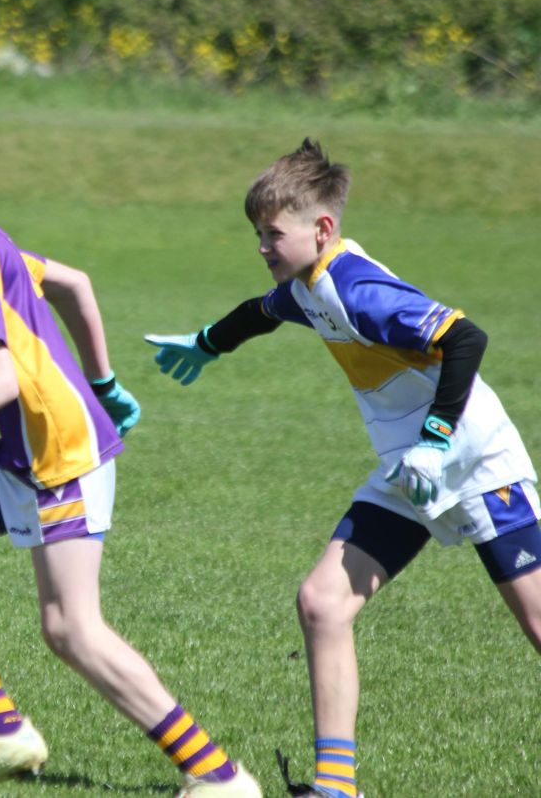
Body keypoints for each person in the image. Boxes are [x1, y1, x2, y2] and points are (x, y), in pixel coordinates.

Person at [0, 107, 260, 798]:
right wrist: (104, 383)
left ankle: (216, 775)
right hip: (24, 447)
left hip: (57, 450)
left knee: (71, 629)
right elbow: (73, 284)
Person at [145, 138, 540, 798]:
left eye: (272, 233)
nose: (262, 247)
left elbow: (465, 337)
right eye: (257, 234)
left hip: (473, 460)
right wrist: (208, 342)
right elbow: (260, 313)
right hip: (407, 469)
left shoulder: (357, 290)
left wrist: (435, 440)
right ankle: (336, 786)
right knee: (323, 602)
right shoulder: (305, 287)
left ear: (322, 228)